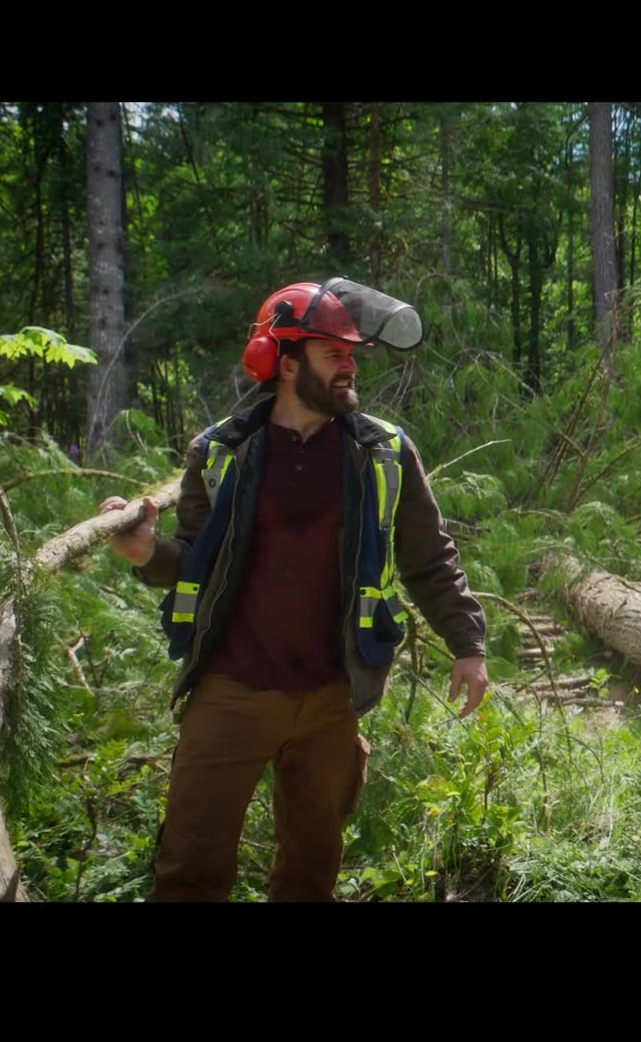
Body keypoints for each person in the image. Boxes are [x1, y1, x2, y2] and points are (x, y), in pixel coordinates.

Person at [99, 278, 488, 901]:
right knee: (189, 870)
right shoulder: (221, 451)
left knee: (311, 873)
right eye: (333, 354)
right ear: (285, 364)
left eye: (351, 354)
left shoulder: (383, 452)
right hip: (231, 690)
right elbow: (194, 558)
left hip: (333, 698)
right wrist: (144, 551)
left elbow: (429, 557)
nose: (349, 366)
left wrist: (467, 643)